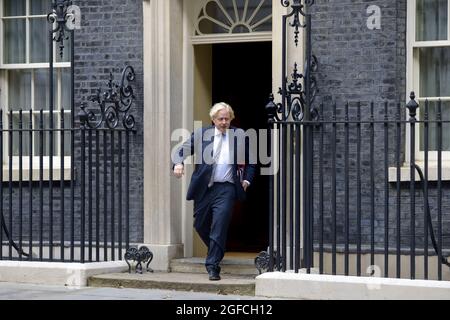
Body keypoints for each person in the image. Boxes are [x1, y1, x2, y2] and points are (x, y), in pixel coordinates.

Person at [172, 102, 256, 281]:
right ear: (213, 119)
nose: (224, 122)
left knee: (219, 224)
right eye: (220, 119)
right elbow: (181, 151)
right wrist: (178, 163)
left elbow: (251, 161)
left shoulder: (239, 136)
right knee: (200, 225)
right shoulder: (202, 134)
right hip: (204, 188)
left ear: (231, 119)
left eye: (227, 118)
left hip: (227, 188)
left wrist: (247, 180)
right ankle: (217, 248)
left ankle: (212, 266)